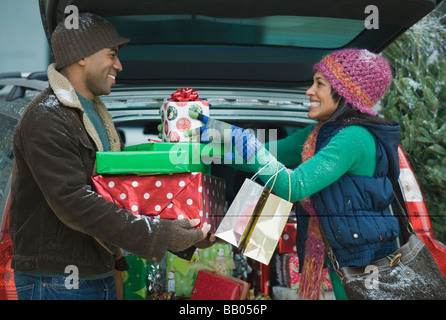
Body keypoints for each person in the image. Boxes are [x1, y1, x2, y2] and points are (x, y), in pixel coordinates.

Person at [9, 12, 213, 300]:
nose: (119, 65)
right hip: (56, 281)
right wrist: (161, 235)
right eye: (112, 54)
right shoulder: (47, 117)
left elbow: (118, 197)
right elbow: (74, 203)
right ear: (82, 55)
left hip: (97, 273)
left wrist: (185, 234)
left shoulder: (96, 116)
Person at [186, 48, 401, 300]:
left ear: (345, 93)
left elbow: (294, 186)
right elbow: (263, 155)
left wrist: (250, 146)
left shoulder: (354, 137)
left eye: (319, 84)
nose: (309, 91)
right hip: (344, 250)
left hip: (365, 258)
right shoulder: (319, 133)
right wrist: (199, 142)